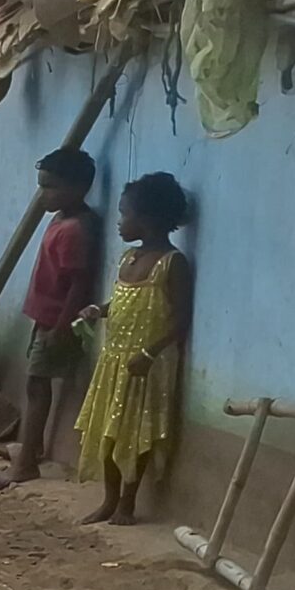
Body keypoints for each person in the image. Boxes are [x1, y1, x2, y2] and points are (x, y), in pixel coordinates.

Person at [73, 172, 191, 525]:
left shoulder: (173, 264)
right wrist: (99, 310)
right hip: (115, 359)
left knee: (135, 434)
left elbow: (180, 318)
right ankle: (109, 500)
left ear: (150, 219)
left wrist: (150, 353)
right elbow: (124, 300)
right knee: (108, 431)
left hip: (146, 365)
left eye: (126, 214)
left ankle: (128, 502)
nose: (120, 222)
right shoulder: (128, 258)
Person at [0, 147, 102, 488]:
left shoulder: (75, 229)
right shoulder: (62, 219)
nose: (43, 195)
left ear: (78, 188)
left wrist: (60, 327)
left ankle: (26, 462)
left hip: (56, 320)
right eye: (42, 186)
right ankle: (32, 447)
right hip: (44, 317)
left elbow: (78, 282)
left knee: (37, 386)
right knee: (35, 384)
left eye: (50, 188)